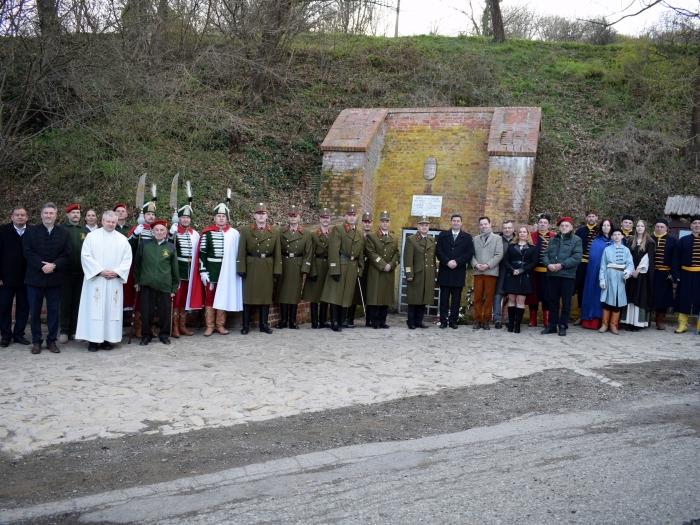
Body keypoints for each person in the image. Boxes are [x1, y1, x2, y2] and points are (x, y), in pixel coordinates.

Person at [75, 211, 133, 351]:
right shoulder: (91, 236)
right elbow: (86, 256)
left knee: (110, 311)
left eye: (113, 222)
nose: (110, 224)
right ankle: (93, 341)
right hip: (96, 281)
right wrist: (100, 271)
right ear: (102, 221)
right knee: (95, 310)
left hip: (114, 281)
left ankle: (108, 340)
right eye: (108, 221)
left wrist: (117, 272)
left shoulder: (122, 239)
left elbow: (127, 258)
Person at [22, 202, 72, 354]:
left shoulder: (64, 234)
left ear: (56, 215)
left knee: (52, 311)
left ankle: (51, 340)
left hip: (55, 278)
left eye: (51, 213)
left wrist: (54, 265)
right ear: (41, 215)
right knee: (35, 311)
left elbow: (66, 254)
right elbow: (27, 252)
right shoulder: (30, 232)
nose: (48, 216)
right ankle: (36, 341)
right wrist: (42, 265)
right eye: (46, 213)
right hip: (35, 278)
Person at [191, 195, 243, 335]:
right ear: (214, 218)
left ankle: (220, 325)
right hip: (211, 270)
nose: (221, 218)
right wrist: (203, 271)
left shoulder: (233, 234)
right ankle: (210, 325)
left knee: (223, 296)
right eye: (218, 216)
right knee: (210, 297)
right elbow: (202, 254)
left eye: (223, 216)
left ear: (227, 218)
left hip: (226, 271)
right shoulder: (207, 234)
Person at [236, 202, 282, 334]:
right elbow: (241, 251)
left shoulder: (274, 231)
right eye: (258, 213)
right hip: (251, 265)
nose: (261, 216)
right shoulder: (246, 230)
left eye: (263, 213)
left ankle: (263, 324)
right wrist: (241, 268)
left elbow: (277, 253)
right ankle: (245, 325)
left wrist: (277, 270)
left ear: (267, 215)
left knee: (265, 297)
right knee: (248, 297)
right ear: (254, 215)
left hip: (267, 265)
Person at [320, 204, 364, 332]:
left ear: (357, 217)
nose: (351, 217)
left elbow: (360, 253)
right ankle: (334, 320)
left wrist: (360, 270)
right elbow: (333, 250)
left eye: (354, 215)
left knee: (347, 294)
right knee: (335, 295)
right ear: (345, 216)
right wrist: (334, 269)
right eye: (349, 215)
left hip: (352, 266)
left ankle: (342, 320)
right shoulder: (338, 229)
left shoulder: (359, 233)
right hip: (341, 263)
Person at [134, 220, 178, 345]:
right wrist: (137, 281)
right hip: (147, 284)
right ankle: (146, 335)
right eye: (157, 230)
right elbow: (137, 264)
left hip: (165, 284)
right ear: (152, 232)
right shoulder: (144, 244)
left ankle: (164, 335)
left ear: (165, 232)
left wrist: (174, 288)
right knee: (146, 312)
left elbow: (175, 269)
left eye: (162, 230)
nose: (159, 232)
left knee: (165, 312)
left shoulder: (171, 247)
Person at [541, 217, 583, 336]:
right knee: (553, 301)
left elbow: (576, 258)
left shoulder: (576, 240)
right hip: (552, 274)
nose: (564, 227)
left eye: (566, 226)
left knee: (566, 302)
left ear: (571, 227)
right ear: (559, 227)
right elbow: (545, 255)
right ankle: (552, 325)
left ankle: (563, 325)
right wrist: (548, 264)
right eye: (562, 226)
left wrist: (562, 265)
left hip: (567, 275)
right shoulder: (553, 239)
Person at [274, 205, 312, 329]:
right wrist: (277, 266)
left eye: (295, 216)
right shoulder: (281, 231)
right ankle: (283, 320)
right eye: (291, 216)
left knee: (295, 294)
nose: (293, 218)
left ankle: (293, 321)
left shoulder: (306, 233)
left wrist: (305, 268)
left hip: (297, 264)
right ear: (288, 217)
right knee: (283, 293)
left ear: (299, 217)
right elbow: (277, 249)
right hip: (284, 263)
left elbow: (308, 253)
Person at [436, 214, 474, 329]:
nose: (456, 223)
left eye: (458, 221)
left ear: (461, 223)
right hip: (445, 271)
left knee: (456, 300)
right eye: (454, 221)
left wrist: (457, 262)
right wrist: (447, 261)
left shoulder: (467, 237)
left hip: (458, 272)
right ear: (451, 222)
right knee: (444, 299)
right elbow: (439, 251)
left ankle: (453, 321)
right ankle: (443, 320)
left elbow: (469, 253)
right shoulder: (443, 235)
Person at [0, 206, 30, 348]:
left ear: (27, 217)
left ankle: (19, 334)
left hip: (26, 278)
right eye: (17, 215)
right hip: (6, 278)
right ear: (12, 217)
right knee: (4, 308)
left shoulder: (31, 232)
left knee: (23, 307)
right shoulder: (2, 231)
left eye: (22, 215)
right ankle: (5, 335)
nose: (20, 217)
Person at [168, 200, 199, 337]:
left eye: (187, 217)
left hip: (190, 271)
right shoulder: (174, 232)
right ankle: (174, 327)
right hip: (178, 270)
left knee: (185, 299)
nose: (185, 220)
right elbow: (168, 249)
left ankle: (182, 325)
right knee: (177, 299)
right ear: (179, 218)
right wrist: (171, 234)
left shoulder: (194, 234)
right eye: (183, 217)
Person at [127, 199, 157, 338]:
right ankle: (139, 327)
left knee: (152, 301)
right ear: (143, 216)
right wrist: (134, 235)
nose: (151, 216)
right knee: (139, 300)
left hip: (154, 270)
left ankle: (149, 326)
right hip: (139, 269)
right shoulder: (136, 229)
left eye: (153, 214)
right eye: (148, 214)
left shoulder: (157, 230)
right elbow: (127, 248)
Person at [365, 210, 400, 329]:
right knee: (374, 296)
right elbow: (371, 252)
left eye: (387, 221)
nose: (385, 223)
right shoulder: (372, 236)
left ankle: (382, 321)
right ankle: (374, 321)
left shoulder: (394, 238)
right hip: (376, 270)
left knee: (385, 296)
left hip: (388, 271)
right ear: (379, 223)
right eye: (383, 221)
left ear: (389, 223)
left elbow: (396, 253)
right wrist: (383, 264)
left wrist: (391, 264)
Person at [58, 203, 86, 344]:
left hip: (81, 272)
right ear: (67, 215)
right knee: (65, 302)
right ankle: (64, 330)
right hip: (65, 272)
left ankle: (75, 330)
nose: (76, 215)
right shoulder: (61, 229)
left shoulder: (85, 230)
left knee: (77, 302)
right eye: (73, 212)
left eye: (78, 213)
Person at [598, 228, 634, 335]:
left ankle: (613, 325)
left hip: (620, 277)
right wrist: (602, 279)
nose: (617, 236)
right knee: (607, 301)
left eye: (619, 234)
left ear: (622, 236)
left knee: (618, 301)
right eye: (615, 235)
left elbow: (630, 264)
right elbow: (603, 265)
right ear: (612, 237)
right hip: (609, 276)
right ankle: (604, 324)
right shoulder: (607, 250)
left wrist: (628, 271)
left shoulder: (626, 250)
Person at [580, 218, 615, 329]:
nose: (606, 227)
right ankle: (593, 320)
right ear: (601, 227)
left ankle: (608, 322)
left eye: (608, 225)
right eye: (604, 225)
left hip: (612, 273)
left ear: (611, 227)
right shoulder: (596, 241)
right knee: (595, 295)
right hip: (596, 273)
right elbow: (594, 257)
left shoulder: (616, 240)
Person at [301, 208, 332, 329]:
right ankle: (315, 321)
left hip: (328, 266)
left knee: (325, 294)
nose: (325, 220)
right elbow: (309, 254)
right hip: (317, 264)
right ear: (320, 220)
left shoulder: (332, 235)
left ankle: (323, 320)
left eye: (327, 218)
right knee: (314, 295)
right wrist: (311, 270)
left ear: (330, 220)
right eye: (323, 218)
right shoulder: (313, 235)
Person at [621, 220, 655, 330]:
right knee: (630, 295)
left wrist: (638, 270)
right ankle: (628, 321)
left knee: (640, 296)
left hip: (642, 274)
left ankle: (637, 322)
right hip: (631, 272)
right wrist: (632, 269)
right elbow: (628, 255)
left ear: (645, 228)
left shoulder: (650, 242)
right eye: (638, 226)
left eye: (642, 226)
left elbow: (647, 258)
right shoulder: (631, 240)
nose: (639, 228)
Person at [471, 216, 504, 330]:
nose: (483, 226)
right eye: (481, 224)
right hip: (478, 271)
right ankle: (477, 319)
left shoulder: (497, 238)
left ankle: (486, 320)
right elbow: (471, 255)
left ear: (490, 225)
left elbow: (499, 254)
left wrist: (487, 265)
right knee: (478, 297)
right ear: (479, 226)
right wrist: (476, 264)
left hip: (491, 271)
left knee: (489, 298)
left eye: (485, 224)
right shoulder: (475, 239)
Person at [502, 225, 537, 333]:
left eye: (524, 232)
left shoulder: (532, 248)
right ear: (518, 234)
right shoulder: (511, 246)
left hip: (524, 276)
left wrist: (522, 270)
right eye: (520, 232)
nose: (522, 233)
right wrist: (512, 270)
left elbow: (534, 263)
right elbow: (505, 260)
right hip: (512, 275)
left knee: (520, 301)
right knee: (512, 300)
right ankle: (511, 324)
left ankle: (518, 325)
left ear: (527, 234)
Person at [403, 215, 436, 329]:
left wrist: (433, 274)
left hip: (428, 274)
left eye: (426, 225)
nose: (424, 227)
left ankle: (419, 321)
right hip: (416, 273)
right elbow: (407, 259)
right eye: (422, 225)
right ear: (418, 226)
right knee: (414, 299)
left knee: (423, 299)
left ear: (429, 227)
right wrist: (409, 274)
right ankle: (411, 321)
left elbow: (432, 259)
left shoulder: (431, 240)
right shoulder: (411, 239)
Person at [671, 215, 700, 334]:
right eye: (695, 223)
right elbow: (676, 258)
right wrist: (676, 273)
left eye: (699, 223)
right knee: (683, 299)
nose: (697, 225)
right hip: (685, 274)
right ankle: (683, 324)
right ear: (690, 225)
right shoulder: (683, 240)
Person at [527, 214, 556, 328]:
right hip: (534, 271)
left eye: (545, 223)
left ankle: (547, 320)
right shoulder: (531, 236)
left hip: (548, 272)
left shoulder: (554, 237)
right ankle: (532, 320)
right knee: (533, 296)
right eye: (541, 222)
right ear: (537, 224)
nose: (542, 224)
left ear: (548, 225)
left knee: (547, 296)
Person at [651, 218, 677, 330]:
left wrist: (673, 273)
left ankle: (659, 320)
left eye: (662, 227)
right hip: (651, 272)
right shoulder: (649, 239)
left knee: (663, 298)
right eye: (657, 226)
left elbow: (675, 258)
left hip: (665, 273)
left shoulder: (672, 241)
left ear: (666, 228)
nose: (659, 228)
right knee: (649, 295)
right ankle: (646, 319)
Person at [573, 210, 599, 324]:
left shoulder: (600, 231)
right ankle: (581, 314)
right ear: (586, 218)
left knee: (593, 288)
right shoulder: (580, 231)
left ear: (597, 218)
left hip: (595, 264)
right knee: (581, 288)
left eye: (593, 216)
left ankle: (592, 314)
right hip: (581, 263)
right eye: (589, 216)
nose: (591, 218)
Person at [348, 212, 373, 328]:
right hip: (358, 265)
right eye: (365, 222)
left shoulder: (374, 237)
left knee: (369, 292)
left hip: (370, 267)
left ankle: (369, 320)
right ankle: (350, 319)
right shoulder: (357, 234)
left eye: (369, 222)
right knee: (354, 292)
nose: (367, 224)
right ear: (362, 222)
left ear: (372, 223)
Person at [493, 220, 515, 329]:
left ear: (513, 229)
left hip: (513, 271)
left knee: (512, 296)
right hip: (500, 269)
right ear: (502, 229)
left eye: (509, 228)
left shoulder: (517, 239)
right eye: (505, 228)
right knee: (498, 295)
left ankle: (509, 319)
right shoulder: (497, 239)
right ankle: (497, 319)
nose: (507, 230)